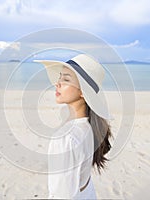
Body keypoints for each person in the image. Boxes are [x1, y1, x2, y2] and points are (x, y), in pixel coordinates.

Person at [35, 54, 112, 199]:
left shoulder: (66, 138)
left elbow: (61, 195)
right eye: (60, 77)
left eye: (66, 79)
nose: (57, 84)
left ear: (83, 92)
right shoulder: (89, 127)